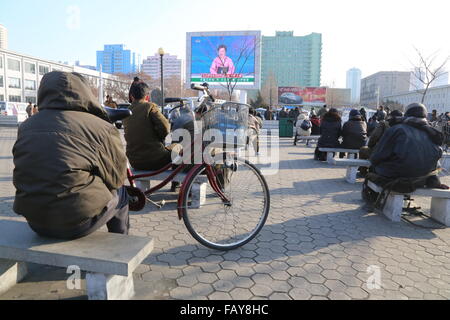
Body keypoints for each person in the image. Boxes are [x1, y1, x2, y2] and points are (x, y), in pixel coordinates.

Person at [13, 71, 129, 239]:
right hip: (76, 224)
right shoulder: (101, 128)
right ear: (84, 92)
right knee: (122, 192)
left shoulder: (26, 126)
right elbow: (117, 178)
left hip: (34, 221)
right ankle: (122, 246)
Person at [368, 103, 446, 188]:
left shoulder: (396, 129)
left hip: (398, 175)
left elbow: (378, 155)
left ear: (406, 114)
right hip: (424, 177)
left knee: (373, 171)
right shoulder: (432, 132)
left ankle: (376, 198)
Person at [124, 81, 179, 171]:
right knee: (179, 147)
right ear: (147, 96)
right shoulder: (150, 107)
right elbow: (165, 128)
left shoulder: (126, 112)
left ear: (131, 96)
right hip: (156, 160)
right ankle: (176, 182)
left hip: (135, 162)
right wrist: (160, 138)